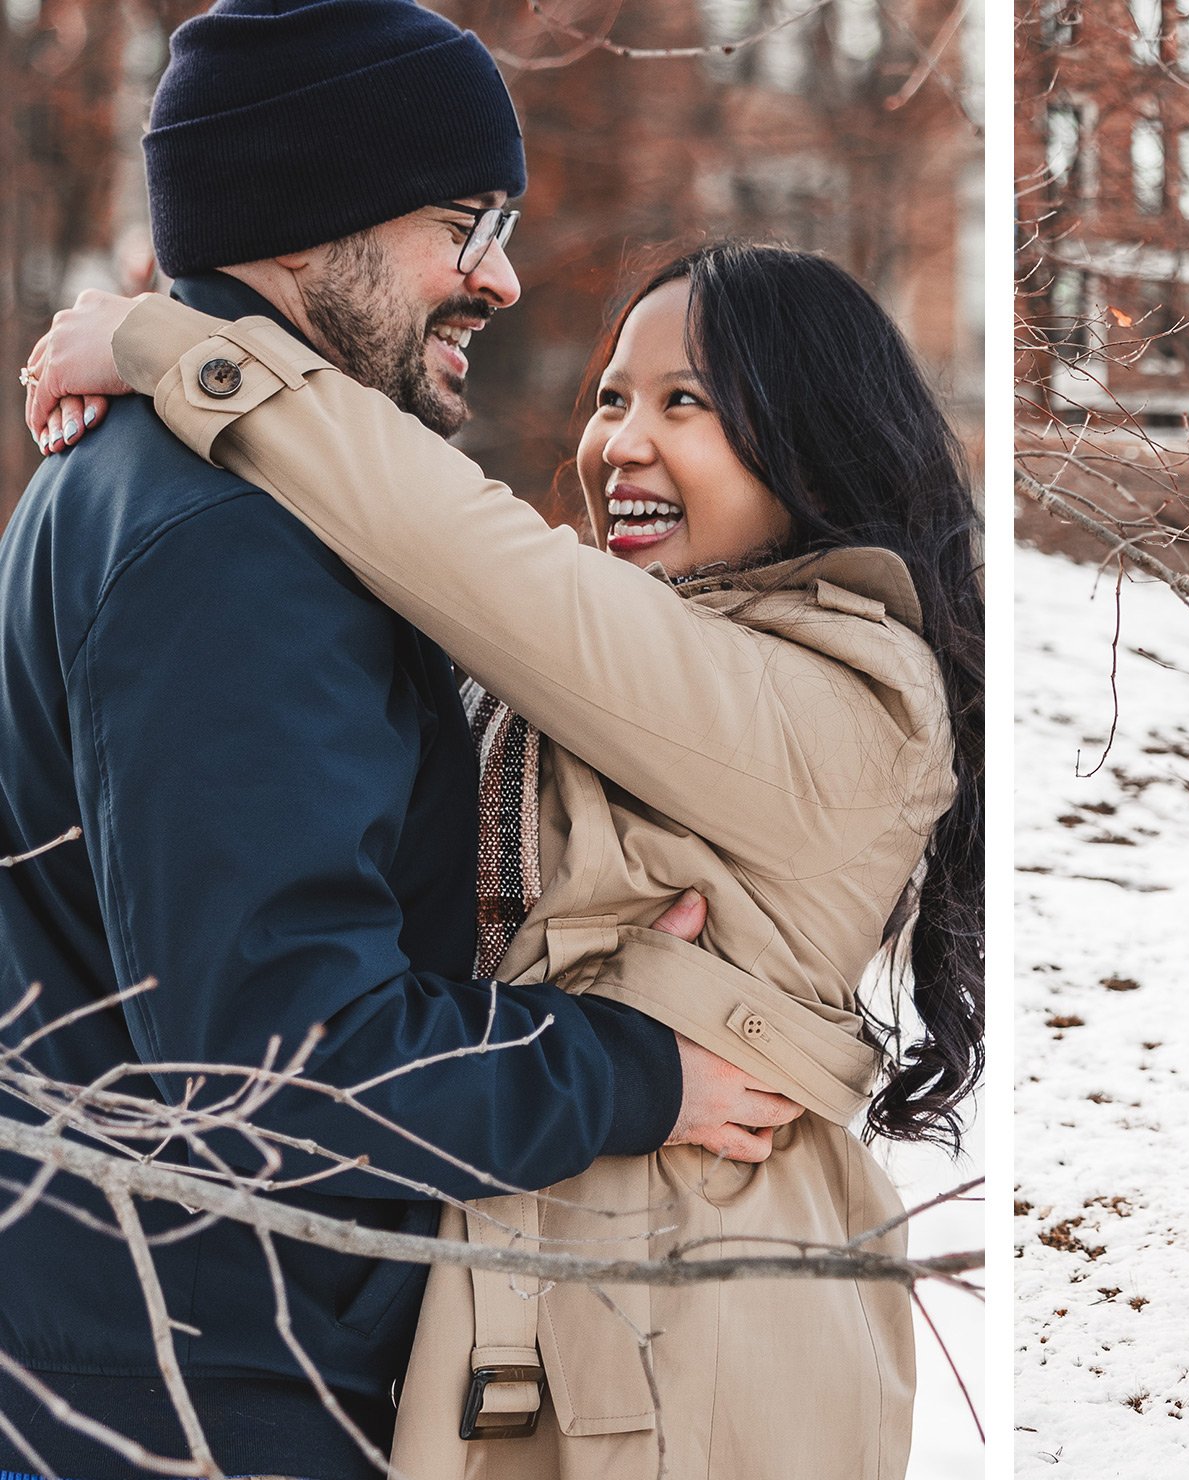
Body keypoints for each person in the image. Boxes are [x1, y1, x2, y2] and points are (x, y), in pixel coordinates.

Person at [29, 237, 984, 1478]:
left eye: (683, 401)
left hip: (694, 1325)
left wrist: (186, 344)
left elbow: (470, 559)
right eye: (609, 398)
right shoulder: (620, 667)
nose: (618, 443)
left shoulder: (845, 700)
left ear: (811, 435)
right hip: (538, 1298)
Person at [0, 4, 791, 1475]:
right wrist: (639, 1072)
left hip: (166, 1341)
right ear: (309, 217)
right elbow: (287, 1066)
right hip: (205, 1391)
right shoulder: (231, 539)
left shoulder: (181, 481)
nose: (496, 277)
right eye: (461, 222)